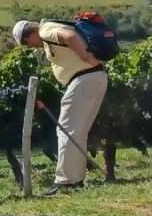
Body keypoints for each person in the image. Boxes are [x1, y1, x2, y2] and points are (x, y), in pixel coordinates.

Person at [13, 17, 107, 196]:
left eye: (27, 43)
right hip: (91, 79)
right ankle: (75, 180)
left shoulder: (45, 30)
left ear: (29, 35)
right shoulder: (49, 30)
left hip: (83, 80)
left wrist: (86, 57)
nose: (32, 47)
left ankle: (66, 181)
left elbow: (69, 36)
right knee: (76, 132)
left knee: (66, 131)